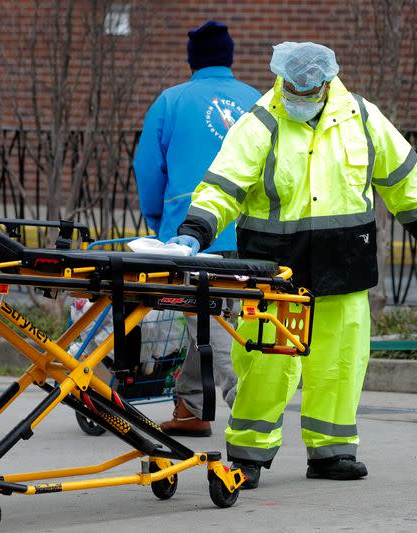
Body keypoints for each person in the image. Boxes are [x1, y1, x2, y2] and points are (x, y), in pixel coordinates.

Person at [169, 42, 417, 487]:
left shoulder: (360, 117)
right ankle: (247, 454)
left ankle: (332, 452)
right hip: (276, 270)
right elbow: (224, 186)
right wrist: (196, 229)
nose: (299, 96)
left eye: (309, 89)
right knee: (266, 361)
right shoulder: (261, 122)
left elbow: (400, 176)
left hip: (344, 264)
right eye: (292, 88)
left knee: (339, 362)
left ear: (326, 82)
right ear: (281, 79)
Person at [133, 20, 261, 436]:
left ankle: (247, 406)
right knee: (209, 318)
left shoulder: (172, 102)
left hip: (188, 234)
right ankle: (189, 407)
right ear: (229, 56)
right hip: (246, 233)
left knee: (209, 321)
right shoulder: (258, 103)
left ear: (193, 60)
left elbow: (148, 169)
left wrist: (158, 221)